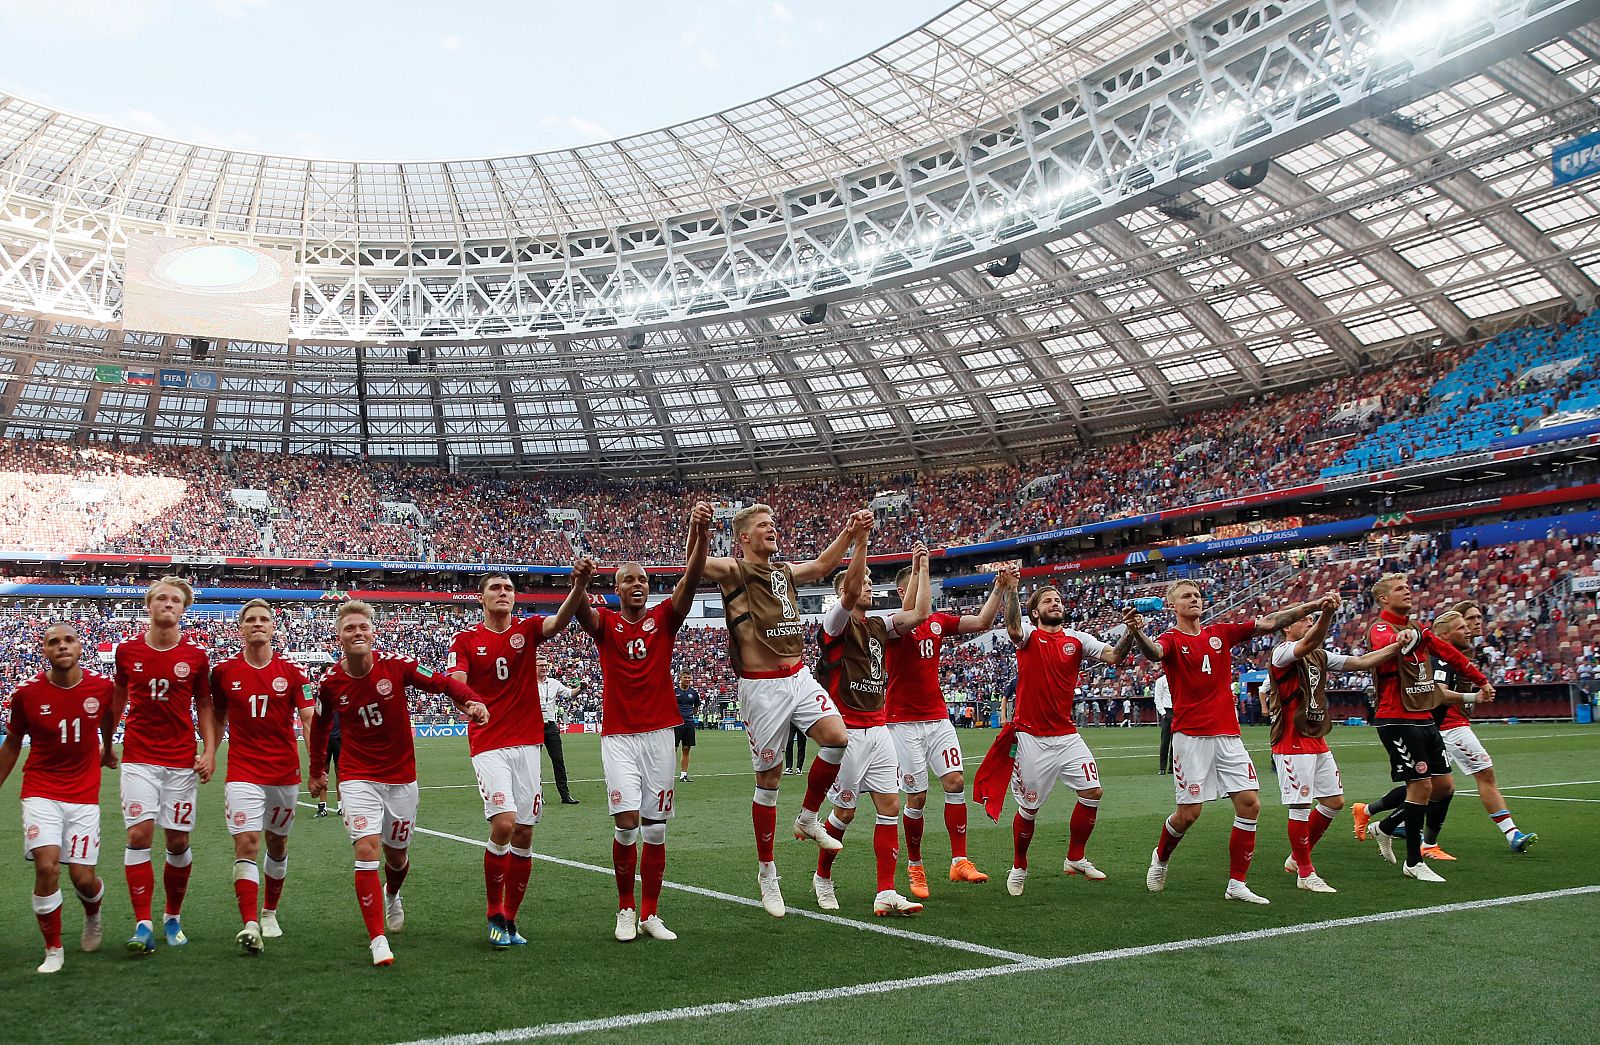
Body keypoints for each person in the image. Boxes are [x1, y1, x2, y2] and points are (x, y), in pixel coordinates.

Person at [701, 504, 872, 916]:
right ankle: (767, 872)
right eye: (763, 526)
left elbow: (823, 564)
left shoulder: (784, 571)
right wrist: (700, 530)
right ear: (743, 537)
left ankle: (808, 817)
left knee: (837, 738)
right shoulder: (734, 571)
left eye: (773, 524)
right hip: (761, 689)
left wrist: (851, 532)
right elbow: (695, 564)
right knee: (769, 778)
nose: (771, 529)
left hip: (798, 675)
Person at [1127, 580, 1334, 904]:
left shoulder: (1221, 632)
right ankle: (1161, 858)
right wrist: (1138, 632)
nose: (1194, 599)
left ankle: (1236, 884)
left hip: (1228, 735)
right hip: (1190, 737)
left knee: (1250, 804)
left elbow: (1270, 622)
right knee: (1188, 814)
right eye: (1186, 596)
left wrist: (1313, 606)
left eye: (1197, 595)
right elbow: (1153, 652)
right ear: (1172, 606)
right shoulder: (1171, 639)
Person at [309, 600, 488, 966]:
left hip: (401, 777)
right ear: (339, 636)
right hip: (357, 776)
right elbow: (320, 728)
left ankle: (393, 893)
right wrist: (317, 771)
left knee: (397, 855)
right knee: (366, 850)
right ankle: (377, 939)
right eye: (349, 628)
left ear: (373, 632)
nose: (357, 633)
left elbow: (439, 682)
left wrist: (470, 700)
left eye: (363, 627)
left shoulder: (398, 664)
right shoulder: (330, 683)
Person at [573, 502, 711, 941]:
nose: (638, 584)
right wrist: (578, 583)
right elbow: (580, 613)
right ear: (615, 588)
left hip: (659, 734)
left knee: (655, 828)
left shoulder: (663, 620)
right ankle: (625, 909)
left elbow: (689, 582)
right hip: (618, 736)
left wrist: (701, 535)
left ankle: (651, 912)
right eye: (629, 579)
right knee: (628, 822)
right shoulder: (606, 624)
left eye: (644, 579)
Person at [447, 566, 591, 949]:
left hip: (527, 744)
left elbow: (561, 620)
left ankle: (510, 918)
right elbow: (455, 684)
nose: (503, 592)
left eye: (508, 588)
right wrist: (469, 704)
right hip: (489, 743)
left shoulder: (526, 631)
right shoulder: (464, 640)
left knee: (525, 832)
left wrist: (578, 586)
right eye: (495, 587)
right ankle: (494, 911)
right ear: (481, 597)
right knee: (505, 824)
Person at [810, 533, 931, 916]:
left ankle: (885, 891)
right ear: (845, 589)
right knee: (844, 813)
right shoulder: (835, 622)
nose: (867, 586)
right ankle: (822, 876)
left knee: (890, 805)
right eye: (861, 582)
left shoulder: (878, 625)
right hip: (845, 731)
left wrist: (922, 568)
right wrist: (860, 543)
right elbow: (847, 593)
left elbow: (918, 615)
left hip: (878, 728)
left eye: (868, 582)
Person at [884, 563, 1017, 898]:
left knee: (956, 781)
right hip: (902, 721)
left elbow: (984, 622)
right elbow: (916, 609)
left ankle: (959, 860)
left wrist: (999, 588)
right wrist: (920, 567)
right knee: (917, 796)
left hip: (937, 717)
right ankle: (915, 866)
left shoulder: (939, 622)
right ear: (904, 592)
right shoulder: (893, 625)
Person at [1349, 575, 1492, 882]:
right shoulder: (1382, 626)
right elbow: (1383, 642)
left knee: (1443, 787)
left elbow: (1451, 654)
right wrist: (1398, 641)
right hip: (1396, 717)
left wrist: (1481, 680)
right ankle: (1414, 861)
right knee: (1421, 786)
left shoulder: (1418, 629)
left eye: (1409, 588)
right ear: (1384, 598)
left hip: (1423, 716)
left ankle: (1384, 828)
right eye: (1401, 589)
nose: (1408, 592)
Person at [1365, 604, 1535, 855]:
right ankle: (1509, 834)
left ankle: (1383, 820)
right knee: (1472, 776)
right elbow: (1440, 693)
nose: (1473, 627)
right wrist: (1474, 697)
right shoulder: (1440, 659)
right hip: (1445, 727)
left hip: (1436, 726)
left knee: (1434, 786)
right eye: (1466, 623)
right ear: (1446, 632)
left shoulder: (1456, 655)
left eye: (1476, 621)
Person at [105, 576, 217, 954]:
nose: (168, 605)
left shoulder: (197, 657)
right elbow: (117, 700)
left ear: (184, 610)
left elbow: (204, 705)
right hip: (139, 757)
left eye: (176, 601)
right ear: (149, 605)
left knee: (178, 840)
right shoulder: (127, 651)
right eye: (162, 599)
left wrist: (211, 750)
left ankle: (172, 917)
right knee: (138, 835)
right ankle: (142, 924)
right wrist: (106, 743)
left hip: (181, 760)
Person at [999, 585, 1135, 896]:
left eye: (1058, 600)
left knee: (1093, 791)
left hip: (1066, 734)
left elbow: (1114, 656)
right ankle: (1019, 866)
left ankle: (1075, 857)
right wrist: (1010, 591)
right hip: (1030, 736)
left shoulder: (1077, 638)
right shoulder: (1030, 635)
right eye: (1048, 600)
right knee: (1029, 809)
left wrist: (1129, 631)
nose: (1055, 603)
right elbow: (1013, 626)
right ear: (1035, 611)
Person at [1263, 601, 1404, 894]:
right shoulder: (1283, 652)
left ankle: (1296, 858)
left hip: (1315, 736)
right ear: (1287, 626)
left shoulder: (1319, 655)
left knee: (1333, 801)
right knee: (1300, 806)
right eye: (1305, 619)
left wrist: (1400, 645)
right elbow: (1309, 641)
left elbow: (1362, 662)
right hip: (1292, 739)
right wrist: (1327, 613)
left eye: (1313, 618)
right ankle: (1305, 871)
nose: (1310, 622)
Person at [0, 624, 114, 974]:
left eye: (68, 640)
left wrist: (108, 749)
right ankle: (53, 949)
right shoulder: (26, 694)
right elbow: (13, 743)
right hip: (41, 790)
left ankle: (92, 912)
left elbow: (109, 719)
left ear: (81, 646)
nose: (62, 646)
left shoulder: (102, 688)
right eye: (53, 642)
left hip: (83, 795)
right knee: (47, 865)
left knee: (83, 879)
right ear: (44, 650)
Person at [210, 599, 315, 954]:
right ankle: (250, 923)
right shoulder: (224, 672)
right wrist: (209, 752)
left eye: (264, 620)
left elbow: (310, 719)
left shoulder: (294, 672)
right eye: (250, 620)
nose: (257, 624)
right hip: (242, 770)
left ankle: (270, 911)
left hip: (284, 772)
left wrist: (317, 768)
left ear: (273, 628)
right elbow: (217, 718)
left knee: (278, 844)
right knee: (247, 843)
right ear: (240, 628)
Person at [536, 659, 579, 804]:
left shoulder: (554, 683)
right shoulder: (527, 682)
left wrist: (580, 689)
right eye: (540, 665)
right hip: (533, 726)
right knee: (534, 764)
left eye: (545, 665)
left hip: (551, 725)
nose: (544, 668)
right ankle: (537, 796)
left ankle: (565, 795)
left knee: (558, 761)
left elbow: (569, 693)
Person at [675, 672, 700, 783]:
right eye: (685, 677)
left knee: (686, 749)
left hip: (689, 723)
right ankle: (668, 775)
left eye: (689, 677)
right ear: (680, 678)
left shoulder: (693, 693)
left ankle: (683, 775)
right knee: (672, 750)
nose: (687, 679)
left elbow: (696, 706)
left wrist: (690, 713)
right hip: (676, 724)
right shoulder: (674, 691)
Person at [1153, 675, 1173, 774]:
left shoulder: (1179, 678)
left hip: (1178, 711)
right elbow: (1158, 698)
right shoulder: (1161, 680)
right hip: (1167, 711)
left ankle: (1173, 767)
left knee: (1176, 743)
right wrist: (1163, 712)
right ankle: (1162, 767)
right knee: (1165, 741)